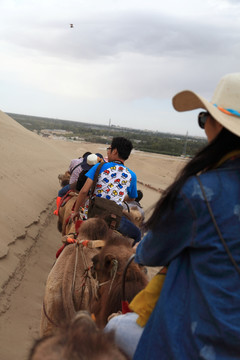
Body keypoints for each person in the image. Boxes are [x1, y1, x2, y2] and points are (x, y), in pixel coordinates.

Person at [131, 73, 240, 359]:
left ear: (216, 125)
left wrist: (139, 248)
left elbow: (151, 252)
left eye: (205, 119)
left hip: (190, 344)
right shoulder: (128, 175)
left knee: (113, 332)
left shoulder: (199, 193)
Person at [71, 137, 141, 243]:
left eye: (109, 148)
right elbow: (132, 197)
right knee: (137, 234)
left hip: (93, 215)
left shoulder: (99, 167)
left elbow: (84, 191)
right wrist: (121, 198)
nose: (108, 151)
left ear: (115, 151)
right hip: (114, 219)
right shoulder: (132, 175)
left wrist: (75, 211)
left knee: (73, 237)